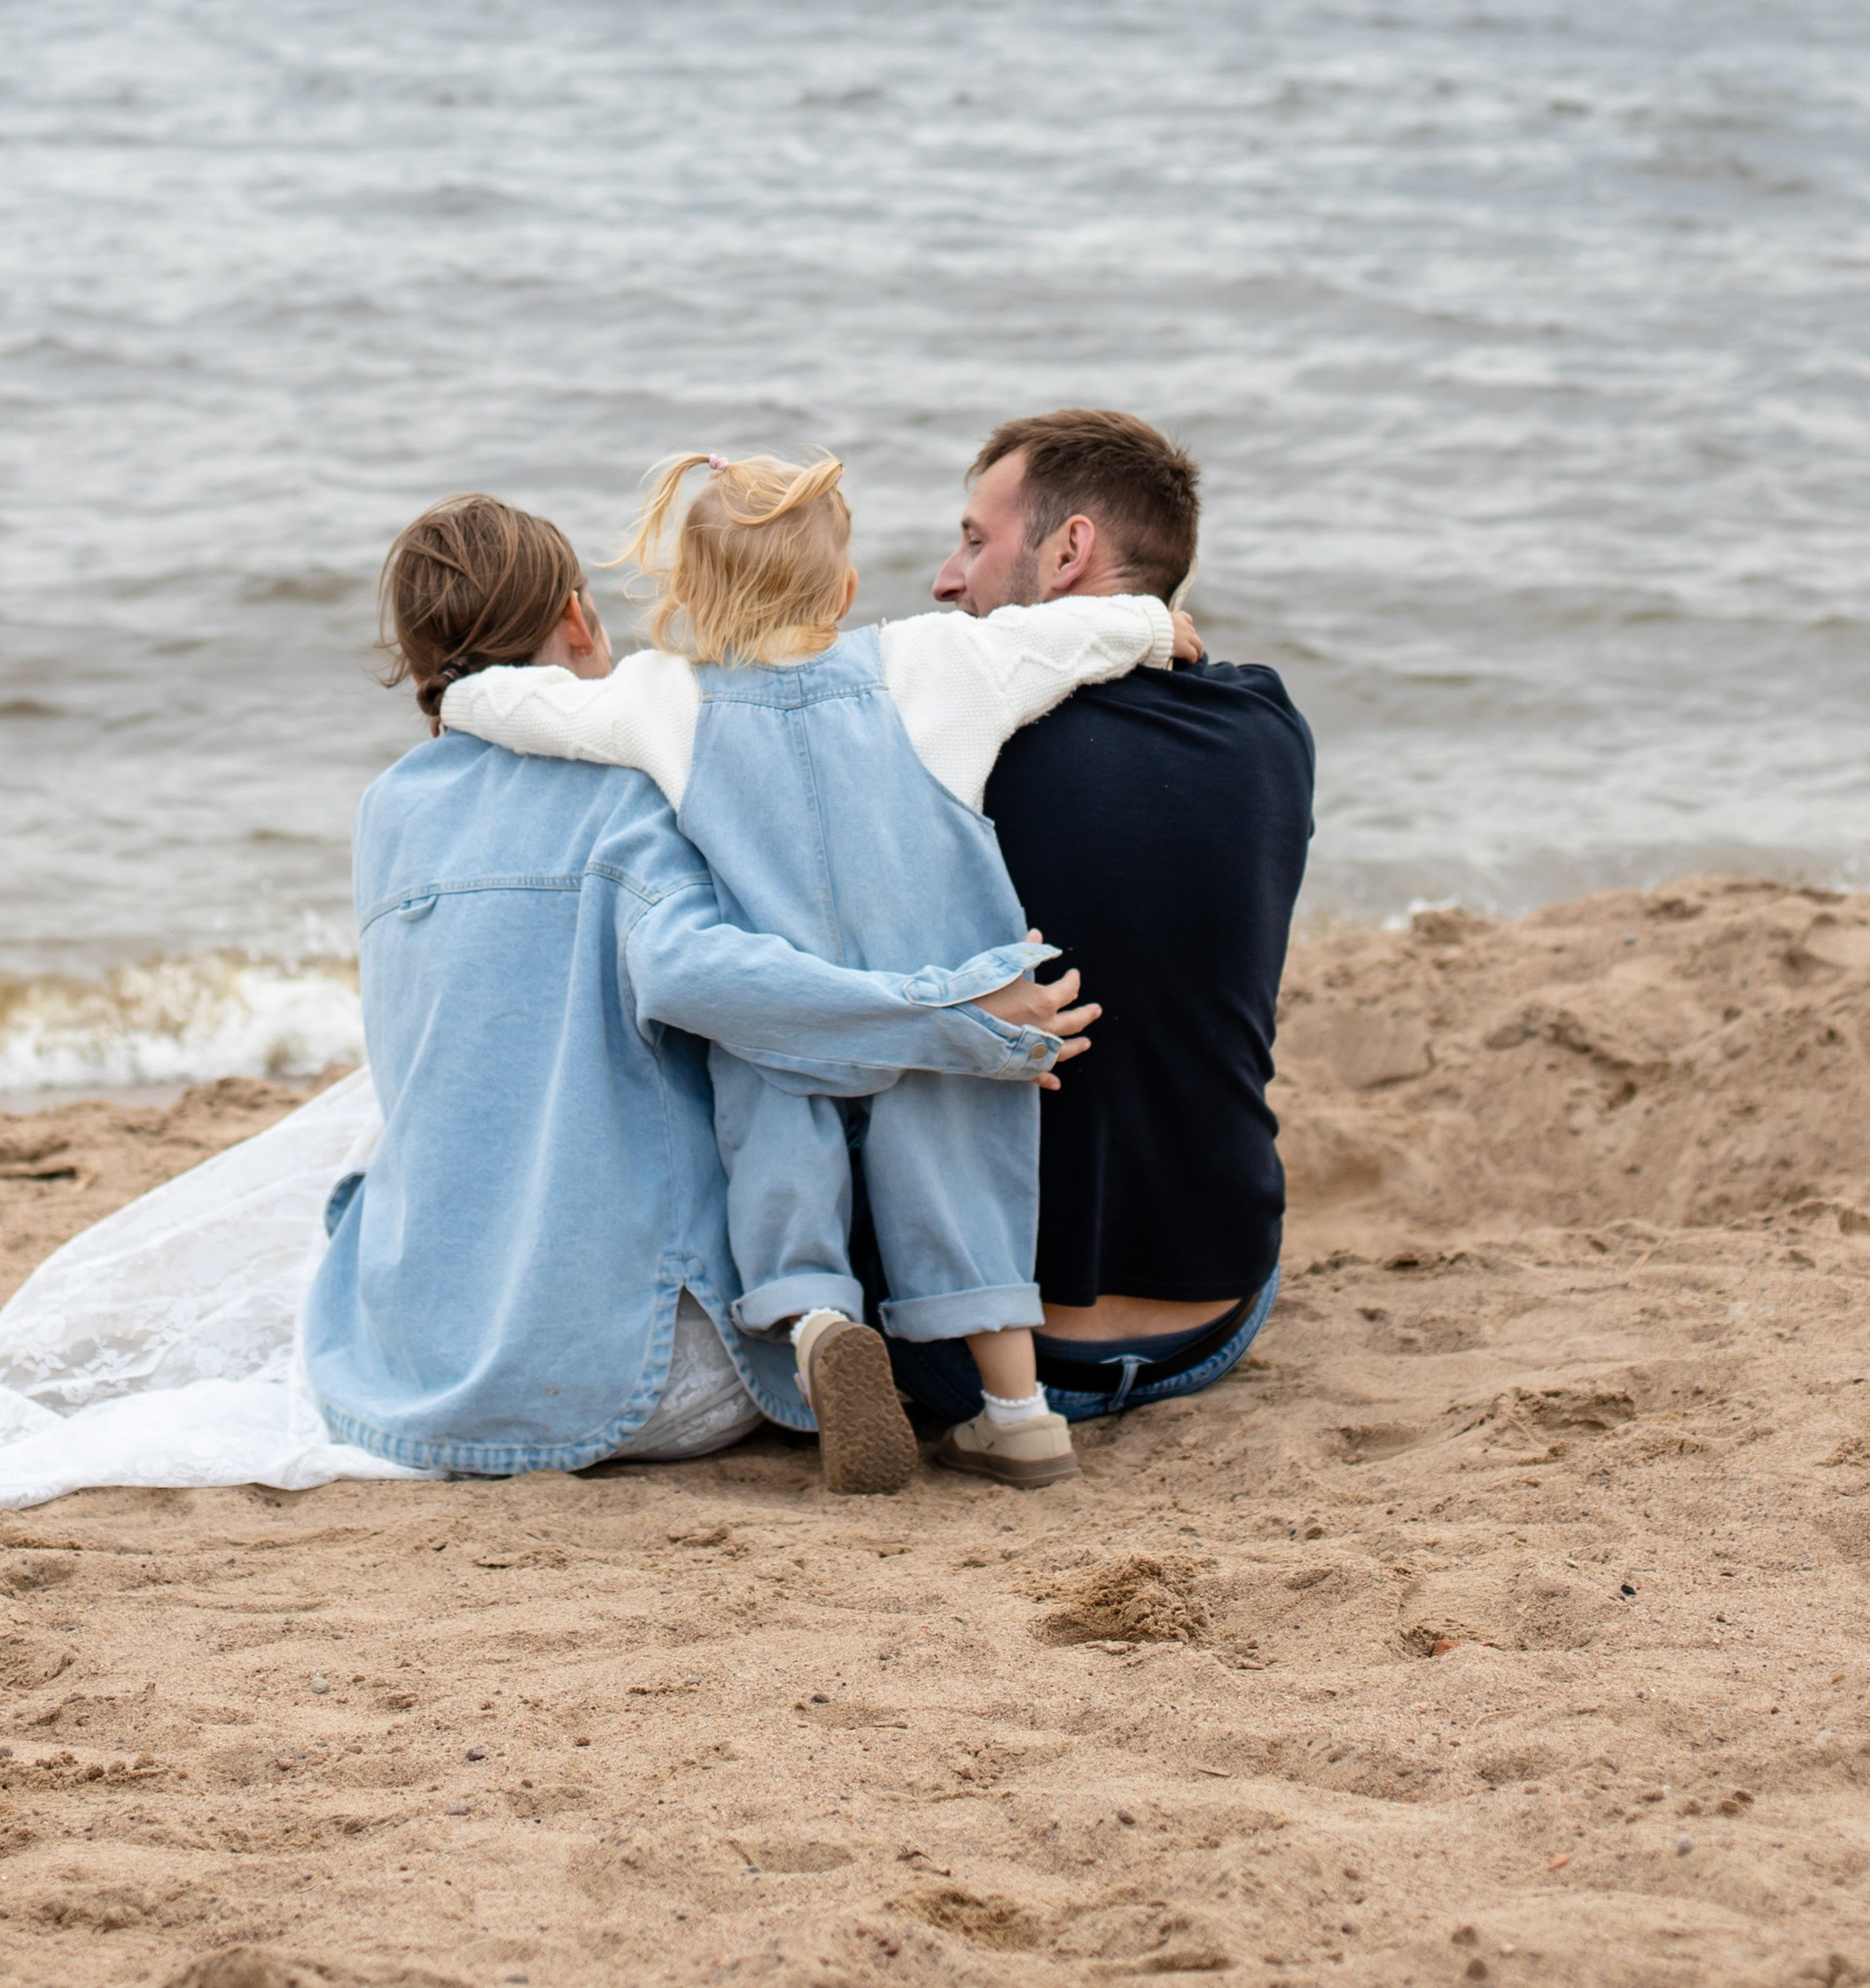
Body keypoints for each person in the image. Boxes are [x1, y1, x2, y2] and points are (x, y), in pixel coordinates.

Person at [440, 451, 1196, 1491]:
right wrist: (1154, 629)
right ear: (843, 590)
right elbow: (1063, 637)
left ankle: (818, 1327)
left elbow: (534, 711)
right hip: (950, 1013)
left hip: (788, 1024)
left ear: (689, 595)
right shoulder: (929, 663)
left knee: (777, 1182)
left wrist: (462, 695)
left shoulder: (666, 699)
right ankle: (1019, 1416)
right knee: (967, 1197)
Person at [300, 492, 1094, 1481]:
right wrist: (948, 1020)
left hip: (414, 1368)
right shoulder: (632, 789)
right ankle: (894, 1343)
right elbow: (699, 974)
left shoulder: (388, 809)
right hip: (648, 1380)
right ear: (581, 621)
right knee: (822, 1095)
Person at [898, 406, 1313, 1433]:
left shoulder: (958, 749)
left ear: (1069, 549)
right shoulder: (1267, 729)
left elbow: (858, 681)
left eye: (972, 541)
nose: (947, 580)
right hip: (1218, 1316)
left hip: (990, 1360)